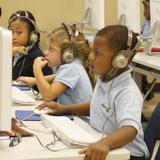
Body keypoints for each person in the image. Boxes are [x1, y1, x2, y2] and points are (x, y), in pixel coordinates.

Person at [36, 25, 149, 160]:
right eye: (92, 51)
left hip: (128, 155)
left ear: (120, 60)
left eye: (97, 53)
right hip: (105, 144)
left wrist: (105, 143)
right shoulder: (105, 78)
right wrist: (64, 109)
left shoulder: (127, 92)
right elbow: (97, 106)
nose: (90, 56)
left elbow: (130, 129)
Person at [18, 23, 94, 103]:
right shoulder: (75, 65)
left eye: (51, 49)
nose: (45, 52)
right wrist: (34, 80)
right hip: (70, 115)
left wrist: (37, 69)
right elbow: (57, 77)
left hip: (75, 116)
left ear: (67, 54)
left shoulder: (71, 68)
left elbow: (47, 95)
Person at [8, 10, 53, 80]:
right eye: (11, 32)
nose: (13, 37)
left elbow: (50, 81)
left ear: (32, 35)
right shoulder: (15, 51)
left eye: (19, 32)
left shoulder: (37, 56)